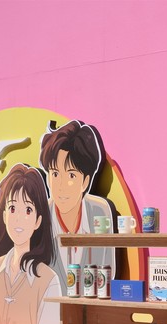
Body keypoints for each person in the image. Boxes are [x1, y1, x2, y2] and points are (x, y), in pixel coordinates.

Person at [0, 163, 61, 324]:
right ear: (5, 216)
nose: (19, 218)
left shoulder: (49, 280)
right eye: (13, 208)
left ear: (38, 221)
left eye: (28, 210)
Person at [39, 120, 117, 294]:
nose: (61, 186)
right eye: (55, 173)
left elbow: (107, 270)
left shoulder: (100, 211)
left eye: (71, 175)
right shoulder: (40, 216)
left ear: (86, 181)